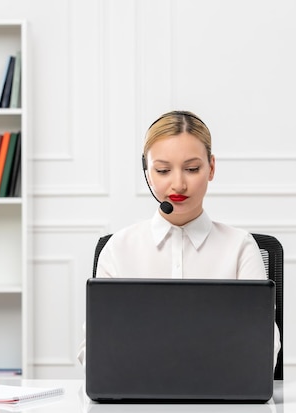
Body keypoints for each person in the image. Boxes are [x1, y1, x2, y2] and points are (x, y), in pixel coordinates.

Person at [78, 110, 281, 368]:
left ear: (211, 168)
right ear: (147, 173)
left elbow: (262, 348)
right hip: (135, 403)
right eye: (162, 170)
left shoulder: (241, 247)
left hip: (222, 402)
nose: (178, 184)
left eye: (192, 169)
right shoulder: (119, 248)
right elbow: (93, 353)